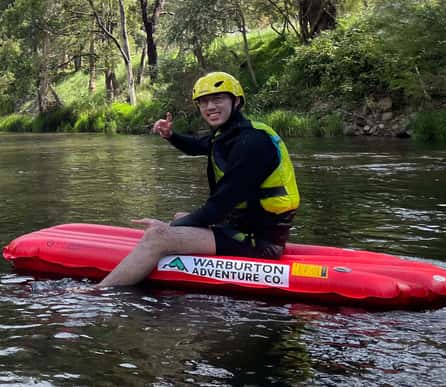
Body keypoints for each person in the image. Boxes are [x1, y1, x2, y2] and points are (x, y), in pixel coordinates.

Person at [96, 71, 299, 288]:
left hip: (259, 243)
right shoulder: (233, 134)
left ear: (236, 101)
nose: (210, 106)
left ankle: (97, 295)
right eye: (204, 102)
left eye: (218, 99)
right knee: (180, 216)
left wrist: (168, 228)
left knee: (158, 236)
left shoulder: (252, 144)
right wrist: (171, 136)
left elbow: (215, 209)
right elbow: (199, 146)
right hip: (244, 226)